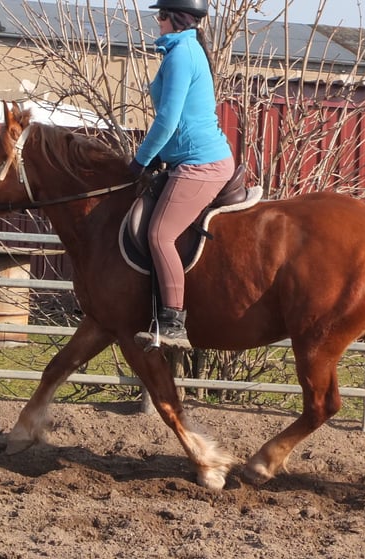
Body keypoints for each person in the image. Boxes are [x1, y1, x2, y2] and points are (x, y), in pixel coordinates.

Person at [130, 0, 235, 351]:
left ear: (175, 17)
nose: (156, 21)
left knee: (160, 235)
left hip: (201, 164)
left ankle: (173, 324)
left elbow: (167, 120)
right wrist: (162, 156)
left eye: (160, 15)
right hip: (185, 160)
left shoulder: (181, 55)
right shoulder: (182, 50)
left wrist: (141, 160)